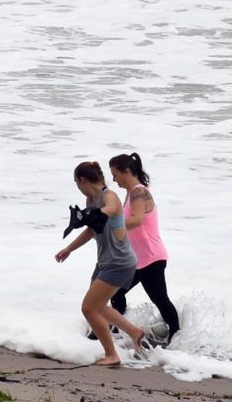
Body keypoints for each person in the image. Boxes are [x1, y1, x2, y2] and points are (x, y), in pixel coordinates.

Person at [55, 160, 147, 366]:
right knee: (99, 306)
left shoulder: (109, 196)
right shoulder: (91, 200)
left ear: (82, 180)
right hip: (106, 262)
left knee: (89, 309)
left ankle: (112, 355)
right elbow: (91, 230)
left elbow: (112, 208)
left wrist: (95, 213)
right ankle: (135, 332)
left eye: (76, 184)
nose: (78, 188)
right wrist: (69, 249)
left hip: (119, 263)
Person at [108, 152, 180, 344]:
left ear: (127, 171)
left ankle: (176, 338)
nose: (114, 179)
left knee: (161, 300)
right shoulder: (129, 194)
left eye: (115, 175)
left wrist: (111, 225)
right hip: (138, 260)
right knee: (115, 293)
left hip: (152, 259)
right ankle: (116, 331)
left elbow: (137, 220)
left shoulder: (139, 192)